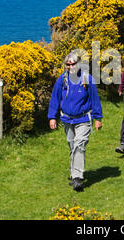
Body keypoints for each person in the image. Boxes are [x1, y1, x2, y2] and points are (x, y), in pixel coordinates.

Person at [48, 52, 103, 191]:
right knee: (72, 146)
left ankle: (78, 177)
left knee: (79, 145)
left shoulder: (87, 79)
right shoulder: (62, 80)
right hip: (67, 119)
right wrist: (52, 117)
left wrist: (98, 118)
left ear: (79, 64)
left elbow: (95, 99)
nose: (71, 66)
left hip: (84, 119)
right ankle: (74, 175)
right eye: (68, 64)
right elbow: (55, 98)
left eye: (73, 64)